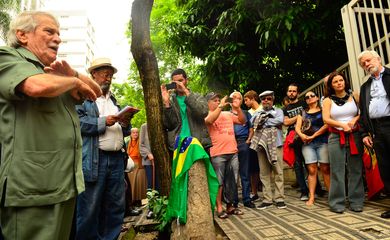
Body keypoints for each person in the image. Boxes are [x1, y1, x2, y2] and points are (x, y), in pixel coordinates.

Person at [0, 11, 101, 240]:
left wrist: (73, 73)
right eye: (49, 31)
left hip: (64, 185)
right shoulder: (7, 57)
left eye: (59, 33)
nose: (58, 38)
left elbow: (95, 92)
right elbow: (34, 87)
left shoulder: (51, 73)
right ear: (22, 35)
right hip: (31, 188)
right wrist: (73, 81)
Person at [76, 58, 132, 239]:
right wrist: (103, 121)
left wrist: (125, 123)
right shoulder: (83, 98)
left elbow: (123, 131)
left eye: (111, 75)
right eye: (105, 74)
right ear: (94, 74)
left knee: (115, 206)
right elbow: (77, 122)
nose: (108, 78)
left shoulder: (114, 100)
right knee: (89, 207)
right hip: (95, 159)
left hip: (116, 159)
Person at [322, 71, 364, 214]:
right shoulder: (327, 100)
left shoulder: (355, 96)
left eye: (341, 80)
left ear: (345, 82)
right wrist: (342, 125)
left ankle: (356, 201)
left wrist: (354, 120)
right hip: (335, 136)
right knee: (337, 170)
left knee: (356, 169)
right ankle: (337, 203)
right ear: (331, 85)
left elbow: (362, 112)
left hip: (355, 135)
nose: (339, 83)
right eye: (335, 82)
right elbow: (326, 119)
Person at [358, 50, 390, 218]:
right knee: (385, 168)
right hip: (376, 130)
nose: (367, 64)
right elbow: (363, 112)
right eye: (363, 64)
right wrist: (364, 134)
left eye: (368, 60)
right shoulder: (365, 87)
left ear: (378, 58)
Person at [205, 92, 246, 218]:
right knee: (219, 182)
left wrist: (238, 108)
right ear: (207, 103)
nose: (218, 102)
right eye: (214, 100)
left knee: (232, 181)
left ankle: (231, 206)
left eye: (219, 100)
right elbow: (209, 120)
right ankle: (219, 207)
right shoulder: (206, 115)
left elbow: (242, 120)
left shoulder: (227, 114)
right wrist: (221, 106)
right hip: (218, 153)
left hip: (232, 152)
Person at [249, 90, 286, 209]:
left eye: (268, 99)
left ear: (272, 100)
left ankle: (279, 198)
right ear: (261, 101)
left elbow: (280, 121)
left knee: (278, 172)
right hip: (262, 146)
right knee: (264, 173)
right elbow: (253, 122)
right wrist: (270, 122)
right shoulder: (257, 112)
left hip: (277, 144)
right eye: (263, 99)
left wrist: (263, 122)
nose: (266, 101)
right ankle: (267, 199)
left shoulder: (279, 111)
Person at [161, 68, 211, 152]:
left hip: (198, 144)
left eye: (181, 81)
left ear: (186, 80)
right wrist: (166, 103)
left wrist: (187, 93)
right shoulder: (170, 101)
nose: (179, 84)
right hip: (179, 146)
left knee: (199, 166)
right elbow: (169, 125)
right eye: (175, 82)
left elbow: (203, 112)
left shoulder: (197, 97)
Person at [295, 91, 330, 206]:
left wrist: (314, 135)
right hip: (307, 144)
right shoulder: (302, 112)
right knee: (311, 170)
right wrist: (302, 135)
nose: (309, 98)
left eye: (312, 96)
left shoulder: (323, 109)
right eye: (307, 97)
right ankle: (311, 197)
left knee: (325, 169)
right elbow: (297, 128)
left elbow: (327, 124)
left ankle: (331, 196)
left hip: (322, 142)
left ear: (317, 97)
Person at [283, 83, 310, 200]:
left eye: (294, 91)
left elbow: (308, 115)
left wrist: (293, 119)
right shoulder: (285, 109)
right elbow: (286, 122)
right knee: (298, 164)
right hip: (294, 138)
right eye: (290, 91)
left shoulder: (304, 103)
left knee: (310, 162)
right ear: (287, 93)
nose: (291, 93)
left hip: (306, 134)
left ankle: (317, 189)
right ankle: (304, 191)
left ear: (298, 93)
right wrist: (300, 115)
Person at [230, 91, 256, 208]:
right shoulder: (225, 114)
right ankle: (233, 200)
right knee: (232, 173)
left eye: (238, 98)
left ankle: (246, 199)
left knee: (245, 172)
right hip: (230, 144)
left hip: (243, 142)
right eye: (233, 98)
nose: (236, 99)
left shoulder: (246, 113)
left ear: (241, 101)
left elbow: (251, 129)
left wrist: (248, 141)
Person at [243, 90, 262, 201]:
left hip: (263, 141)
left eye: (246, 100)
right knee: (253, 168)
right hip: (252, 142)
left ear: (253, 98)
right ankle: (254, 192)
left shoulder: (262, 109)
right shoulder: (247, 112)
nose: (245, 102)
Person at [127, 127, 148, 207]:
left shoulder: (141, 143)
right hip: (131, 164)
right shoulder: (128, 143)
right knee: (131, 183)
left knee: (138, 182)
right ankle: (132, 200)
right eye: (133, 132)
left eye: (137, 132)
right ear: (131, 134)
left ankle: (138, 200)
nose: (135, 134)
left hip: (138, 164)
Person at [139, 122, 159, 191]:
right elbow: (141, 145)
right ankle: (151, 200)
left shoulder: (159, 125)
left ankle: (159, 201)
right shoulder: (144, 126)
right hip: (149, 161)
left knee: (158, 184)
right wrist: (148, 153)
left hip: (159, 160)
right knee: (150, 182)